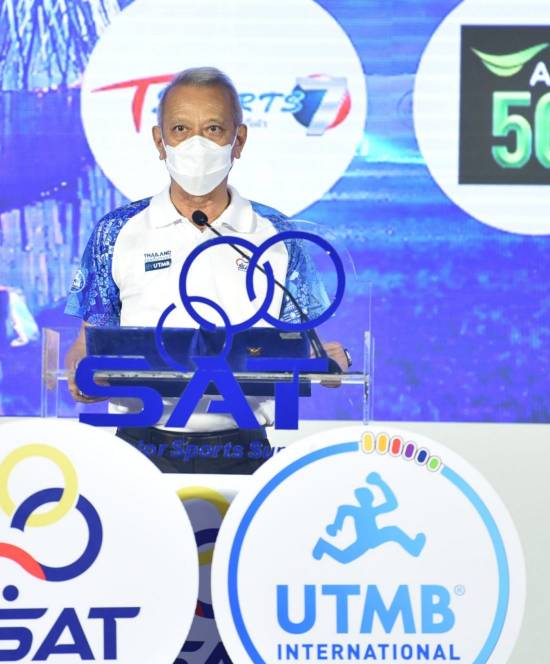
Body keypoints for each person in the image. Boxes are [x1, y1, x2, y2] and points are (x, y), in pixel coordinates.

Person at [64, 66, 348, 474]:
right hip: (138, 449)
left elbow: (304, 346)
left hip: (242, 449)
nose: (196, 145)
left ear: (239, 140)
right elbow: (87, 346)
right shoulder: (116, 232)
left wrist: (329, 361)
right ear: (160, 141)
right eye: (180, 129)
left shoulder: (279, 234)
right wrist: (83, 375)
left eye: (213, 129)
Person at [312, 472, 426, 563]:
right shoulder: (357, 511)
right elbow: (343, 509)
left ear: (372, 498)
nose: (367, 498)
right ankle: (323, 546)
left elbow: (392, 504)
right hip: (365, 541)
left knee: (393, 530)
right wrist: (336, 525)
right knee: (344, 557)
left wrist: (380, 483)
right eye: (364, 496)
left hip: (375, 537)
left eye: (368, 496)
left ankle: (413, 546)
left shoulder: (370, 510)